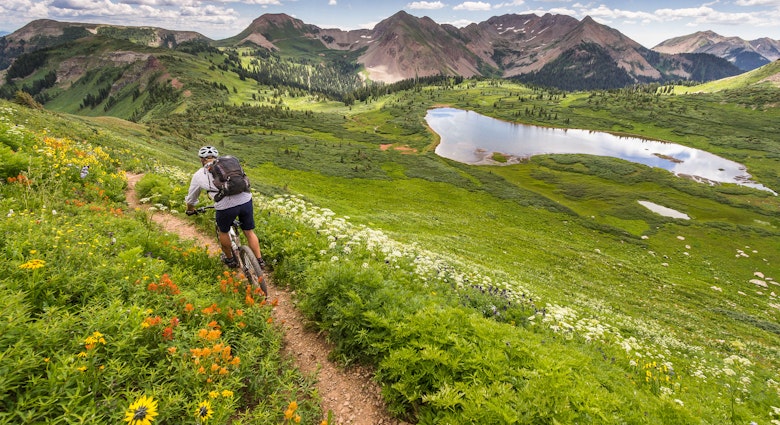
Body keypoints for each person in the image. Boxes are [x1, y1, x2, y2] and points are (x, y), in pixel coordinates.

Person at [184, 146, 265, 270]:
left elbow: (191, 198)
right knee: (249, 231)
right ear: (216, 157)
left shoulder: (199, 175)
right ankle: (259, 261)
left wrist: (190, 209)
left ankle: (230, 259)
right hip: (245, 199)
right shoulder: (230, 164)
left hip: (225, 206)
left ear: (201, 159)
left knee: (223, 231)